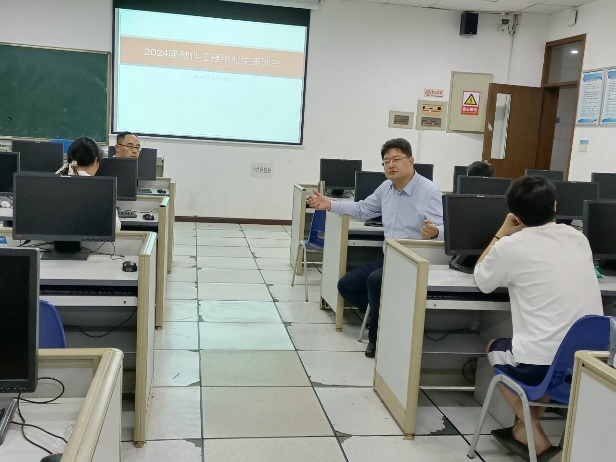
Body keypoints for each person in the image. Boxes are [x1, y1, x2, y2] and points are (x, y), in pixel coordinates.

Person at [474, 176, 602, 460]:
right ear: (555, 205)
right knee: (544, 352)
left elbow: (482, 279)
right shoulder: (579, 238)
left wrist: (502, 233)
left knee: (495, 346)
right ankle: (522, 430)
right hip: (589, 363)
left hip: (543, 365)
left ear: (516, 215)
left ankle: (534, 436)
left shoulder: (510, 246)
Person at [307, 138, 444, 357]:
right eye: (386, 161)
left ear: (410, 161)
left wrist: (435, 232)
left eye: (396, 159)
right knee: (346, 285)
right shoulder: (385, 188)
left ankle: (377, 339)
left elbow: (445, 228)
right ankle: (384, 320)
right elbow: (363, 210)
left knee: (375, 281)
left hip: (413, 262)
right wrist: (330, 204)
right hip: (389, 258)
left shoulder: (429, 191)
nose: (390, 165)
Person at [57, 136, 122, 232]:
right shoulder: (103, 190)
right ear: (95, 161)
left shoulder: (56, 184)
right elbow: (115, 228)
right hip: (94, 241)